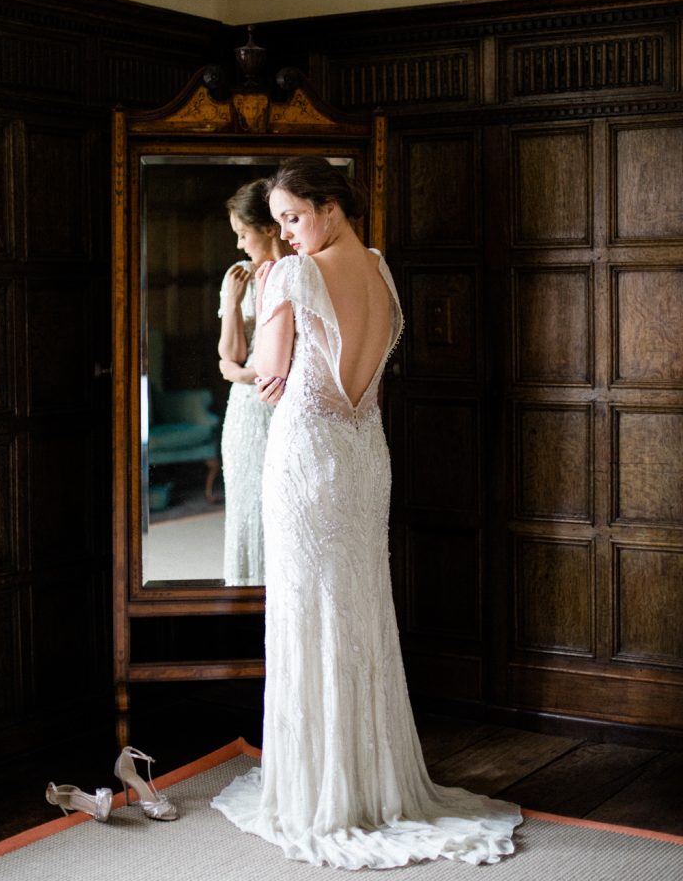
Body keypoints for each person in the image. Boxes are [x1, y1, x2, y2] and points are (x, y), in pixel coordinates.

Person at [212, 156, 522, 868]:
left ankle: (318, 789)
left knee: (306, 610)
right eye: (281, 220)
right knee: (356, 608)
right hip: (361, 458)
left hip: (304, 456)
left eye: (293, 216)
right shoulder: (380, 269)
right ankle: (368, 782)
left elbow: (264, 373)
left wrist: (239, 354)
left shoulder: (292, 276)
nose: (285, 232)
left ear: (330, 206)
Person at [217, 179, 290, 586]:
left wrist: (247, 375)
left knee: (279, 507)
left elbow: (254, 368)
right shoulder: (237, 277)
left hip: (280, 405)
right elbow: (230, 355)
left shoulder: (294, 274)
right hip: (245, 414)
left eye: (244, 234)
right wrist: (231, 302)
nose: (241, 245)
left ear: (269, 228)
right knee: (246, 505)